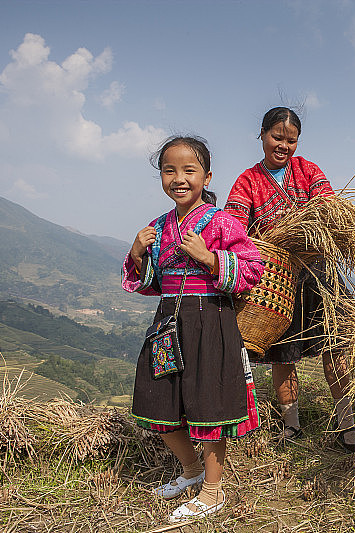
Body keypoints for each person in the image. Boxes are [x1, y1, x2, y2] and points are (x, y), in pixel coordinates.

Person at [122, 135, 264, 522]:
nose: (179, 178)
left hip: (211, 321)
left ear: (207, 175)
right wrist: (136, 253)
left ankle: (213, 491)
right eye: (170, 170)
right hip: (169, 322)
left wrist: (209, 258)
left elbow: (252, 270)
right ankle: (190, 471)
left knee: (209, 404)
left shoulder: (222, 221)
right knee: (159, 400)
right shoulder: (158, 226)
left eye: (189, 170)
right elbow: (152, 283)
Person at [225, 107, 355, 453]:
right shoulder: (247, 181)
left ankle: (348, 423)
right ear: (262, 135)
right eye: (277, 137)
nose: (283, 146)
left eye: (291, 140)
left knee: (335, 347)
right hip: (276, 281)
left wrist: (309, 231)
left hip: (319, 273)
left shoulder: (308, 171)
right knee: (282, 353)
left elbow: (329, 209)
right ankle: (291, 423)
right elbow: (235, 227)